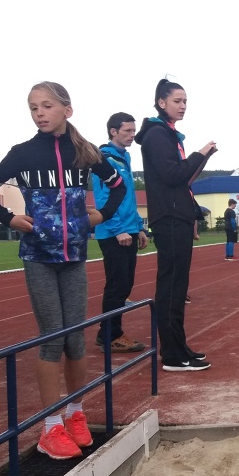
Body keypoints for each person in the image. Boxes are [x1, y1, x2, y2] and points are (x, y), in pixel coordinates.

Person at [0, 81, 127, 460]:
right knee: (53, 339)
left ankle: (75, 413)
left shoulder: (85, 151)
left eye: (46, 106)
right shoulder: (23, 153)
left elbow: (118, 186)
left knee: (76, 339)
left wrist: (101, 216)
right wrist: (9, 218)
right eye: (33, 107)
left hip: (74, 257)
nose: (39, 113)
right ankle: (50, 426)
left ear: (67, 110)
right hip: (39, 257)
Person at [135, 78, 216, 372]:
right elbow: (172, 175)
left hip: (177, 215)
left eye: (185, 102)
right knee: (171, 286)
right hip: (168, 218)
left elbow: (183, 178)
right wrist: (199, 153)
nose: (183, 106)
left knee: (178, 286)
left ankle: (179, 346)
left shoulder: (167, 134)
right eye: (177, 101)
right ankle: (171, 354)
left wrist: (202, 158)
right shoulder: (158, 135)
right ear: (161, 103)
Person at [93, 112, 148, 355]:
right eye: (127, 131)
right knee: (117, 286)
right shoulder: (104, 159)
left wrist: (139, 227)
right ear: (113, 131)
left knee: (125, 284)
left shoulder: (124, 157)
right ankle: (111, 336)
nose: (132, 135)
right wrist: (118, 230)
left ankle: (106, 333)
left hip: (128, 229)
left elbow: (129, 199)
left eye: (134, 131)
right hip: (114, 232)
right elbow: (103, 198)